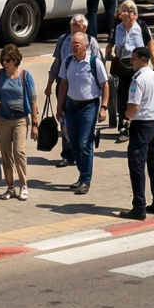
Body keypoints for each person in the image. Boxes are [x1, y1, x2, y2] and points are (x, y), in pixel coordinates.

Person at [115, 46, 154, 217]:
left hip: (141, 125)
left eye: (134, 58)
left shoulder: (138, 79)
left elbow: (134, 106)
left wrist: (126, 117)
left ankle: (139, 207)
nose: (131, 62)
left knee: (137, 166)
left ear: (142, 59)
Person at [56, 31, 109, 195]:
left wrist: (104, 107)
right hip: (71, 106)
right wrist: (59, 107)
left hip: (89, 107)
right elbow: (63, 85)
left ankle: (86, 179)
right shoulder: (67, 61)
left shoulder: (94, 62)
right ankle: (81, 175)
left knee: (85, 143)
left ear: (86, 46)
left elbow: (105, 85)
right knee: (73, 143)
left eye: (77, 44)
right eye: (72, 44)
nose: (74, 47)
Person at [0, 45, 36, 200]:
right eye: (2, 60)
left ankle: (23, 185)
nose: (4, 62)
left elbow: (33, 100)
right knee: (6, 155)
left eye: (7, 60)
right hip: (3, 119)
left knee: (19, 151)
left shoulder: (25, 76)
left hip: (20, 119)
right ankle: (10, 187)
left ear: (15, 60)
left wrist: (35, 124)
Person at [107, 0, 153, 133]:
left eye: (130, 11)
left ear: (136, 15)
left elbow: (151, 48)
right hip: (121, 67)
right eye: (124, 11)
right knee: (122, 97)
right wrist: (107, 58)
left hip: (137, 68)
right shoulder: (117, 28)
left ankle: (136, 124)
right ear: (120, 14)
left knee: (136, 97)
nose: (127, 13)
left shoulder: (142, 26)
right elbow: (109, 47)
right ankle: (123, 127)